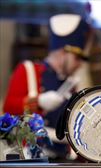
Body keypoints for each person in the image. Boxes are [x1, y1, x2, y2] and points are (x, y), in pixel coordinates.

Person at [3, 14, 91, 161]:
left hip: (64, 159)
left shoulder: (72, 85)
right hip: (30, 159)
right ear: (63, 53)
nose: (79, 64)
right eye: (77, 58)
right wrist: (37, 102)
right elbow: (8, 109)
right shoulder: (28, 70)